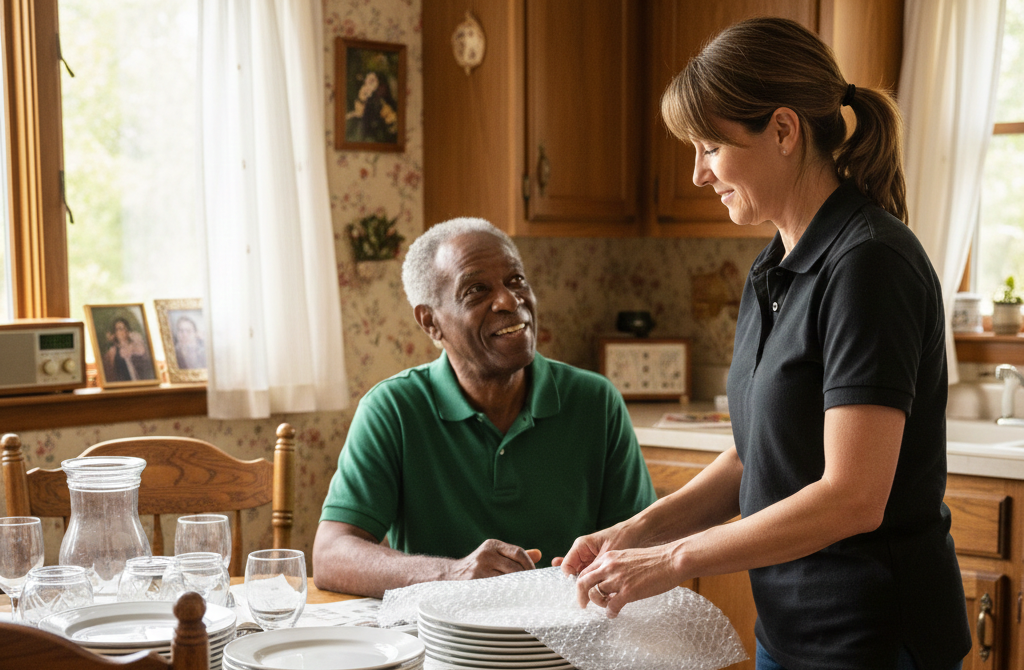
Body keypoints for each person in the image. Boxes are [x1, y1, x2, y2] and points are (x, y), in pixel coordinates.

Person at [557, 17, 970, 670]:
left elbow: (853, 496)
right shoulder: (773, 266)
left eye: (710, 147)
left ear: (783, 130)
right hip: (787, 633)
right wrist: (633, 534)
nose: (698, 174)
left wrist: (672, 559)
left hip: (873, 641)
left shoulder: (870, 263)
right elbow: (758, 457)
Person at [313, 217, 655, 598]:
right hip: (439, 631)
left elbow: (642, 544)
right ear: (430, 322)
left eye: (516, 280)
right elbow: (331, 555)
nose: (510, 300)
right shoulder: (392, 409)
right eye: (476, 290)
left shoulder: (596, 402)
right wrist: (451, 575)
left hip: (571, 628)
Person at [102, 316, 155, 382]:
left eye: (123, 328)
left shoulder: (136, 345)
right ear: (115, 333)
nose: (121, 332)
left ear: (127, 330)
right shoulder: (113, 351)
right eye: (118, 329)